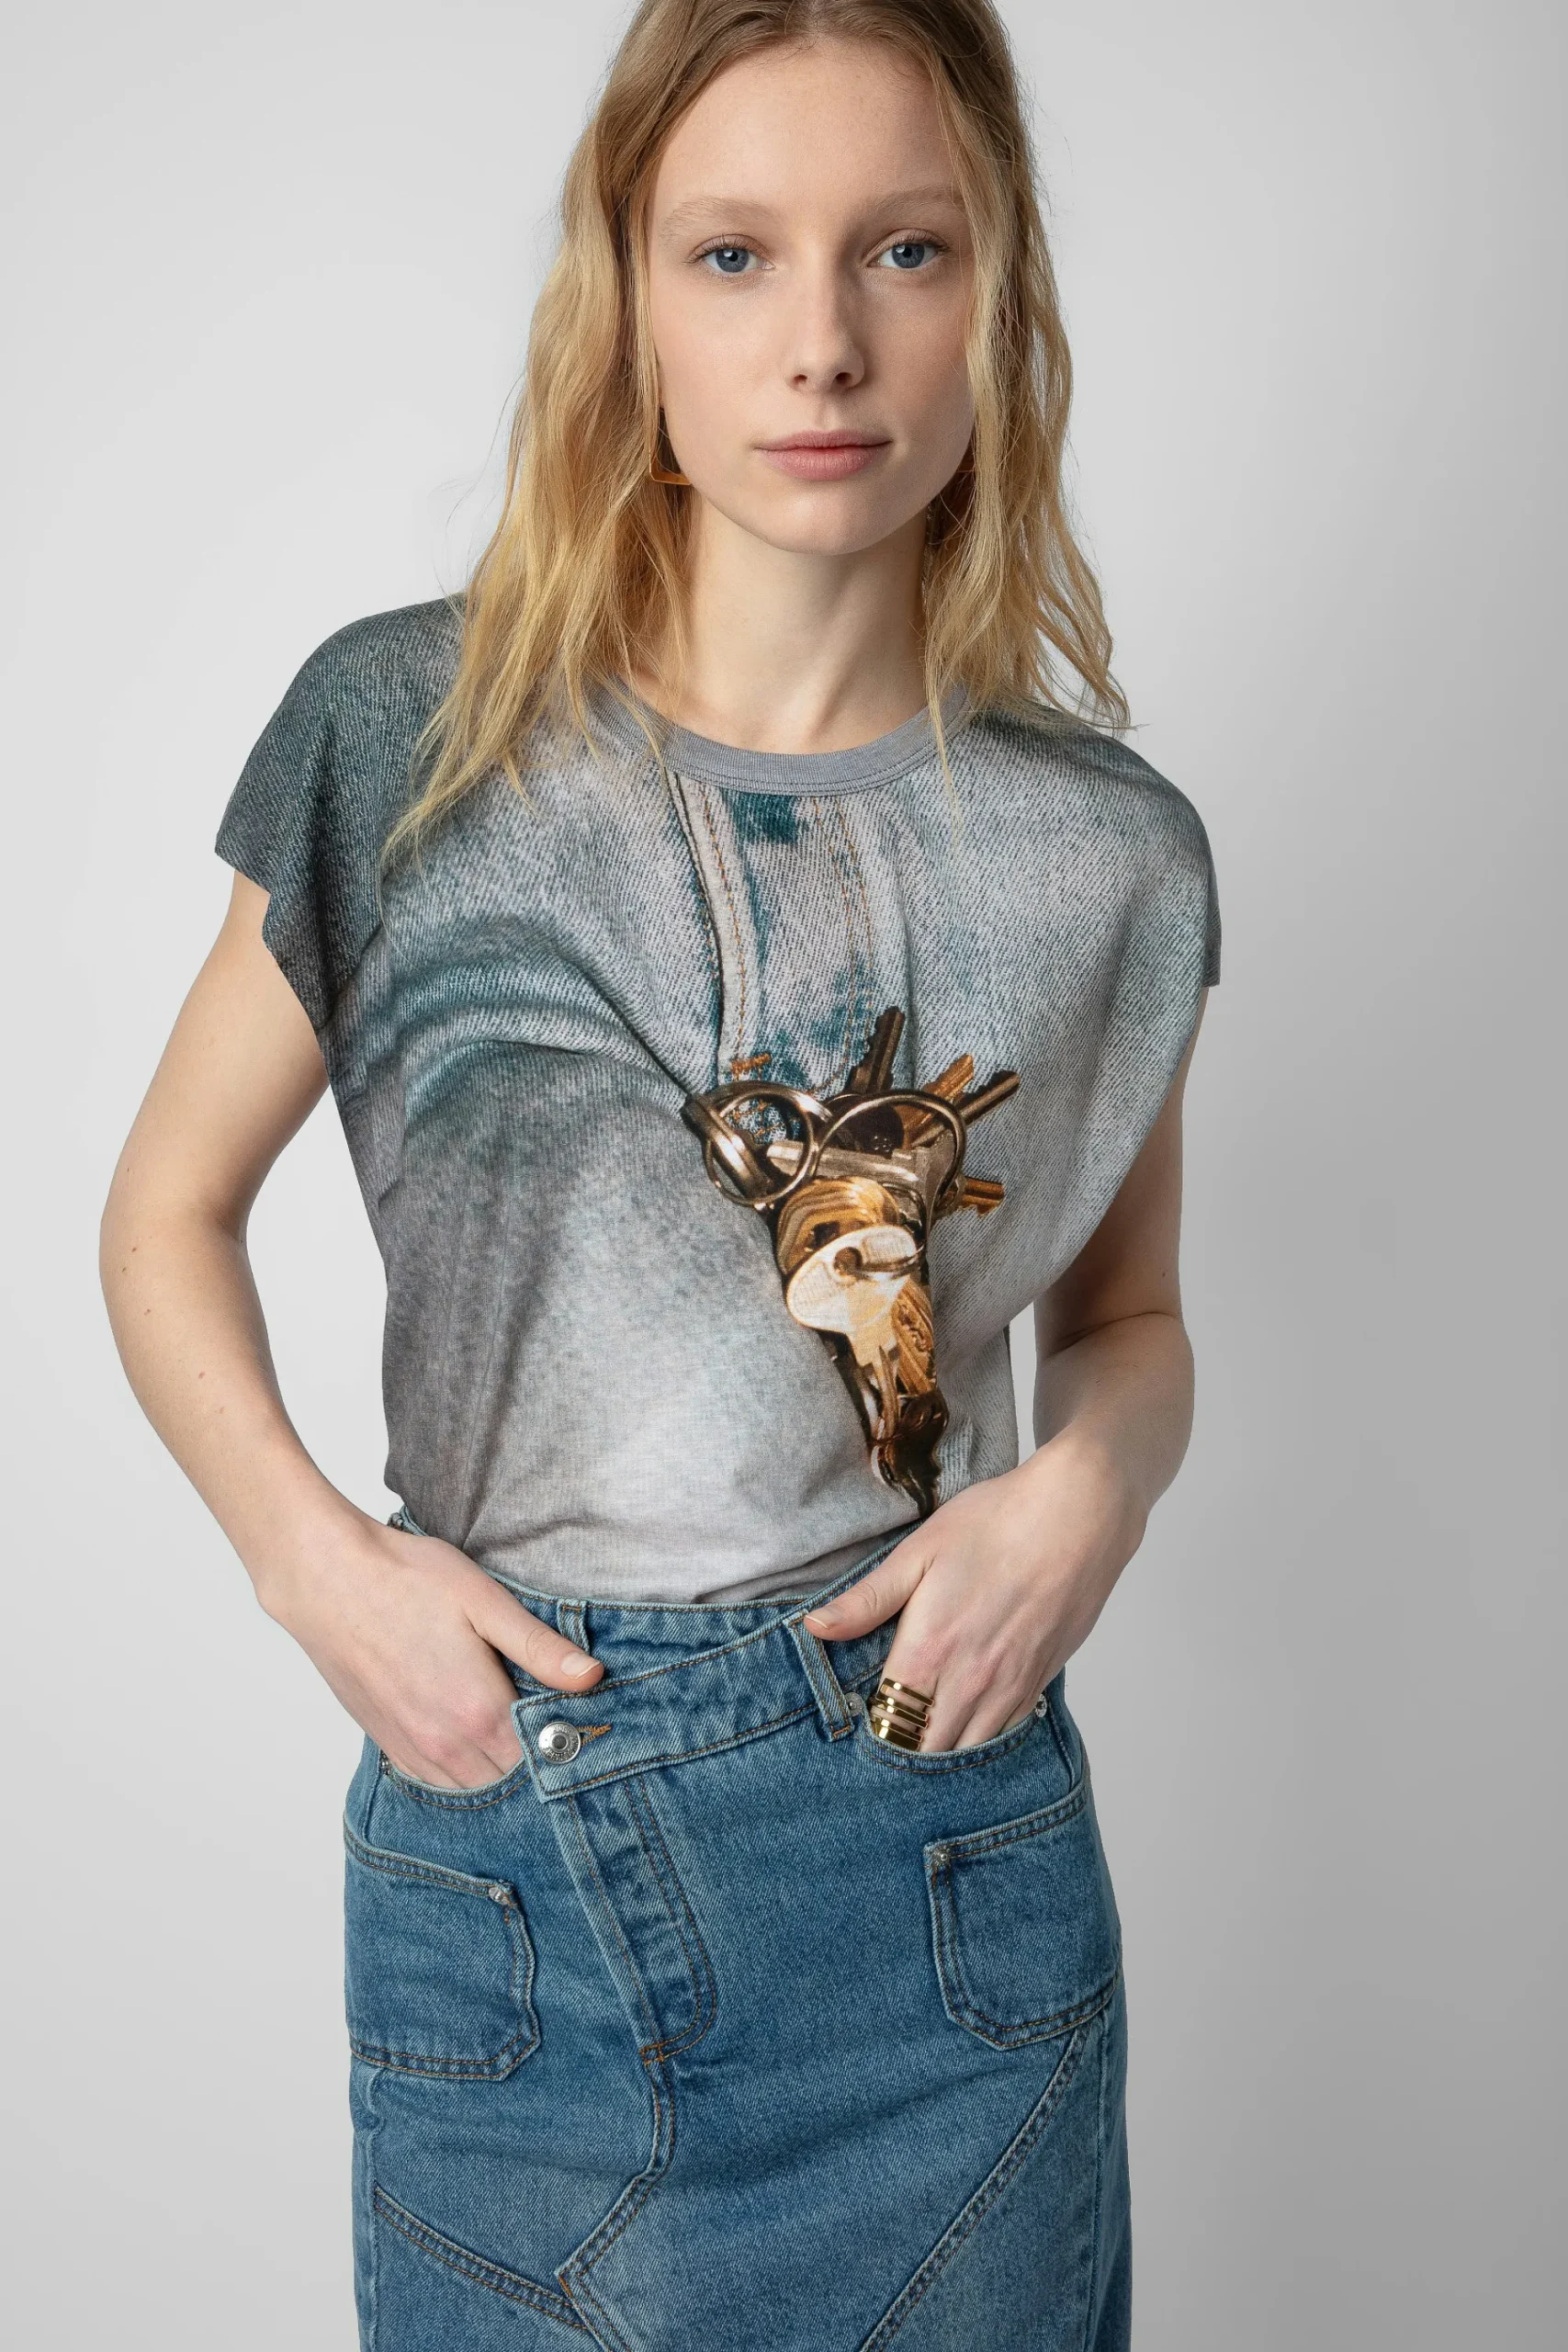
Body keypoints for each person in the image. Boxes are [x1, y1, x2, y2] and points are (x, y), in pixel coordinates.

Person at [100, 2, 1220, 2345]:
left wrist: (1084, 1495)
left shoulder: (1109, 850)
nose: (822, 342)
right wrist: (319, 1568)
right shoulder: (410, 739)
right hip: (511, 1864)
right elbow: (164, 1211)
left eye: (903, 249)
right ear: (625, 299)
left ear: (996, 288)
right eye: (732, 253)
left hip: (938, 1859)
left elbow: (1124, 1319)